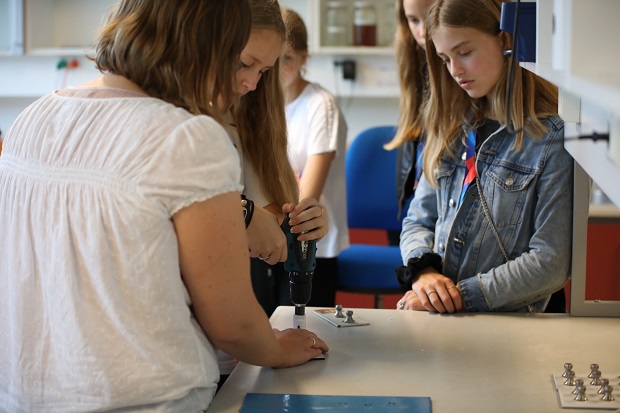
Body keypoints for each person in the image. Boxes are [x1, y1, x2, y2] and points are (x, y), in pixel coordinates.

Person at [0, 1, 328, 411]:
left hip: (25, 397)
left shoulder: (32, 117)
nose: (250, 84)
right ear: (197, 39)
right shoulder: (188, 137)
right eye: (242, 62)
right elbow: (232, 324)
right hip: (145, 400)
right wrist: (277, 348)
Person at [395, 0, 574, 313]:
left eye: (465, 52)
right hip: (442, 316)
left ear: (504, 40)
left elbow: (550, 261)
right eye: (445, 59)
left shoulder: (553, 136)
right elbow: (418, 220)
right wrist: (424, 273)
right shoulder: (449, 124)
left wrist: (456, 297)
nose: (455, 70)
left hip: (514, 326)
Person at [279, 7, 349, 308]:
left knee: (302, 328)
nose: (277, 68)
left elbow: (304, 201)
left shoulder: (321, 106)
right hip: (271, 241)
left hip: (311, 246)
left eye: (287, 58)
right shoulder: (258, 106)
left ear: (304, 58)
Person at [385, 0, 434, 235]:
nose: (423, 31)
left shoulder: (463, 74)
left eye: (431, 16)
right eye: (413, 20)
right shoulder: (414, 63)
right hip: (415, 207)